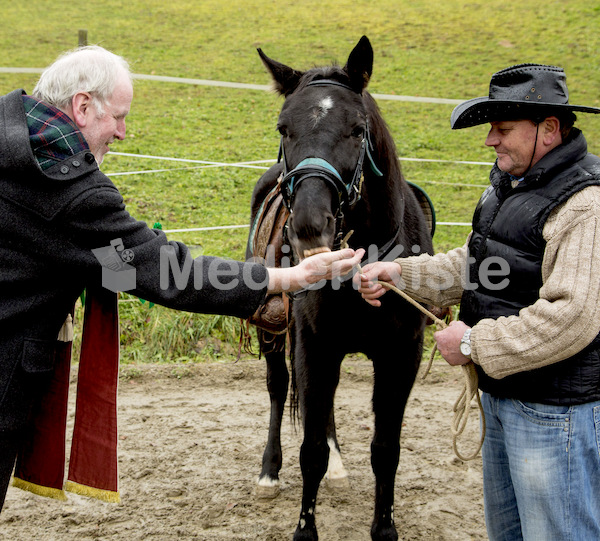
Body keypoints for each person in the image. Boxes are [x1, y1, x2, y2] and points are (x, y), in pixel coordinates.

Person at [0, 45, 363, 510]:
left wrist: (127, 259)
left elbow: (118, 265)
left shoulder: (11, 136)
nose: (124, 133)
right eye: (120, 117)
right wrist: (286, 277)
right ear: (83, 106)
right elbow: (166, 273)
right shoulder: (67, 189)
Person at [356, 63, 600, 540]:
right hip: (506, 395)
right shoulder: (512, 186)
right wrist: (402, 272)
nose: (491, 140)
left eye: (503, 129)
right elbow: (478, 262)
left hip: (556, 414)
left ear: (549, 129)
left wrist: (474, 344)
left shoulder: (585, 204)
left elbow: (573, 315)